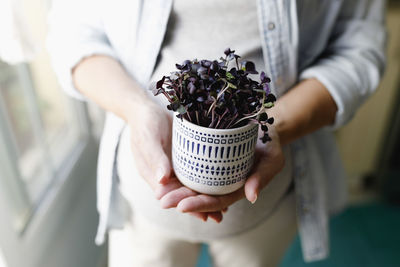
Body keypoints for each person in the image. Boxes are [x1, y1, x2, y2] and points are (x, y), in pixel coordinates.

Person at [47, 0, 386, 266]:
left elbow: (360, 48)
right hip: (145, 196)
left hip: (264, 201)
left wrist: (277, 125)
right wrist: (138, 110)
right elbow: (71, 32)